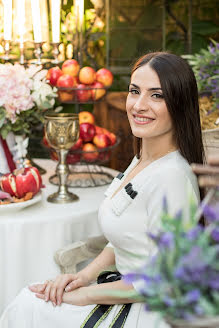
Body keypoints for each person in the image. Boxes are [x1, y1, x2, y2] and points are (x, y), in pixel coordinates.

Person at [0, 52, 205, 328]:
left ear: (180, 104)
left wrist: (85, 295)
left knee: (28, 305)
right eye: (135, 91)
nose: (139, 105)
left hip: (147, 312)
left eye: (157, 95)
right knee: (30, 301)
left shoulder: (172, 178)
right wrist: (83, 277)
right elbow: (127, 237)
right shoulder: (142, 160)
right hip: (118, 290)